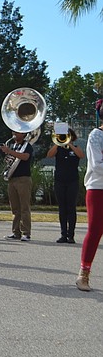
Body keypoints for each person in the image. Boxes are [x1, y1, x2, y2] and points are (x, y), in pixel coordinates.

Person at [77, 99, 103, 291]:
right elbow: (97, 165)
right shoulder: (96, 135)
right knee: (95, 231)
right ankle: (83, 275)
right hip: (98, 187)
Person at [46, 129, 85, 243]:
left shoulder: (76, 148)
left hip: (72, 181)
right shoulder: (58, 149)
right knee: (62, 208)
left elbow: (81, 155)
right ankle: (63, 234)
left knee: (71, 208)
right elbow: (49, 155)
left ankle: (71, 235)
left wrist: (70, 144)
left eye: (68, 135)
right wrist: (57, 144)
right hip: (59, 181)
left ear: (72, 137)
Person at [0, 131, 34, 241]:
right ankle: (16, 232)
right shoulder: (12, 145)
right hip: (12, 179)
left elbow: (25, 157)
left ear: (23, 134)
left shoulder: (27, 146)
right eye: (13, 131)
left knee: (24, 207)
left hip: (23, 179)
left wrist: (10, 151)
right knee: (15, 208)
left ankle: (26, 233)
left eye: (17, 132)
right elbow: (10, 160)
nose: (14, 134)